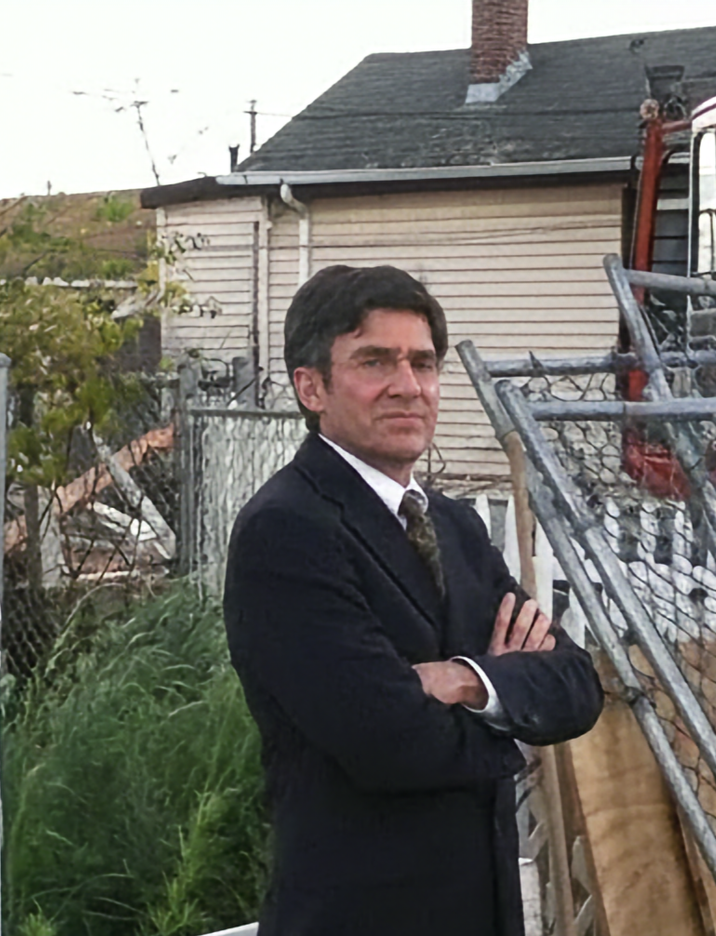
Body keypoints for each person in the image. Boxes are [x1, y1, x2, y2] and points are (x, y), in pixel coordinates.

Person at [224, 265, 604, 936]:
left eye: (423, 364)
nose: (408, 386)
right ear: (311, 387)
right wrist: (513, 719)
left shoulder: (454, 526)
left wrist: (466, 681)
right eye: (375, 362)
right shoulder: (287, 531)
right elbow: (388, 742)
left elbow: (576, 685)